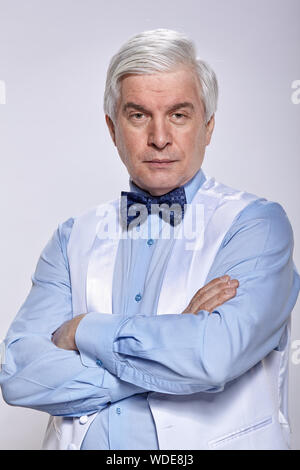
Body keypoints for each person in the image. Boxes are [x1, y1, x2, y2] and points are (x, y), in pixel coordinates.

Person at [0, 29, 299, 451]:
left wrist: (84, 330)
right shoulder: (72, 237)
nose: (159, 138)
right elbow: (19, 374)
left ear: (208, 126)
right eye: (138, 115)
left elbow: (211, 358)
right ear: (112, 127)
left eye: (179, 115)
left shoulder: (257, 227)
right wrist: (173, 347)